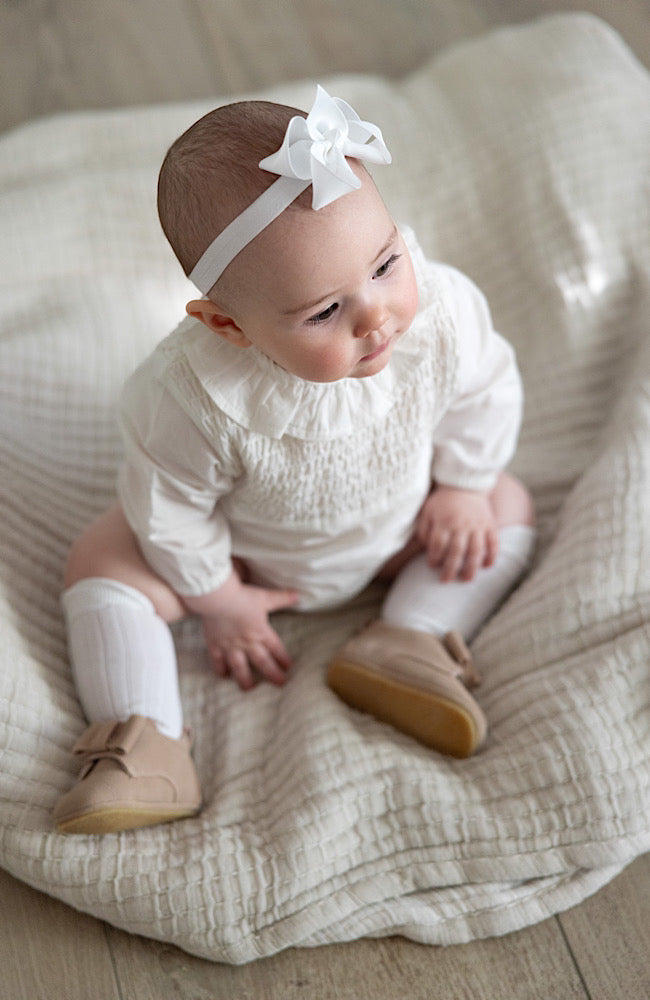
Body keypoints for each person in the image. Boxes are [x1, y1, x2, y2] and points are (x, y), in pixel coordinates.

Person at [54, 87, 535, 835]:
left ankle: (411, 636)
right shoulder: (192, 397)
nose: (377, 316)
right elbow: (169, 508)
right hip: (252, 566)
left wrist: (464, 489)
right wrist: (217, 599)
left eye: (384, 264)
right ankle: (144, 739)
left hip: (398, 530)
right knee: (105, 555)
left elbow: (487, 390)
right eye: (323, 312)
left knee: (507, 504)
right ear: (228, 326)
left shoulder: (439, 316)